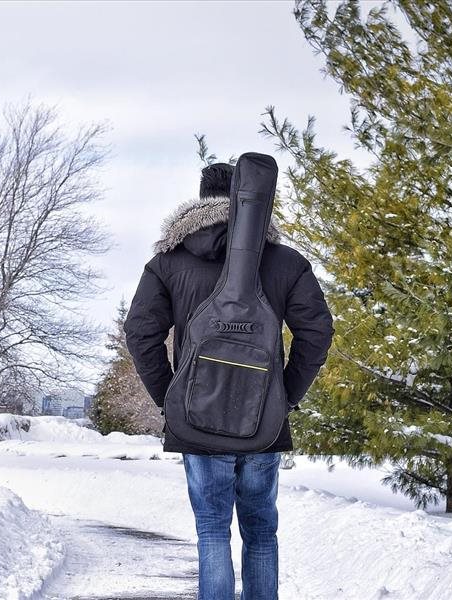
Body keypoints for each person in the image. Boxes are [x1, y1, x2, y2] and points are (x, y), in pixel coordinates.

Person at [123, 162, 334, 600]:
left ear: (201, 201)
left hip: (197, 424)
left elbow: (141, 333)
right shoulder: (286, 263)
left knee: (212, 532)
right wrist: (286, 395)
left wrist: (171, 399)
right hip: (263, 425)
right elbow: (316, 332)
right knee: (261, 533)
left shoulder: (168, 262)